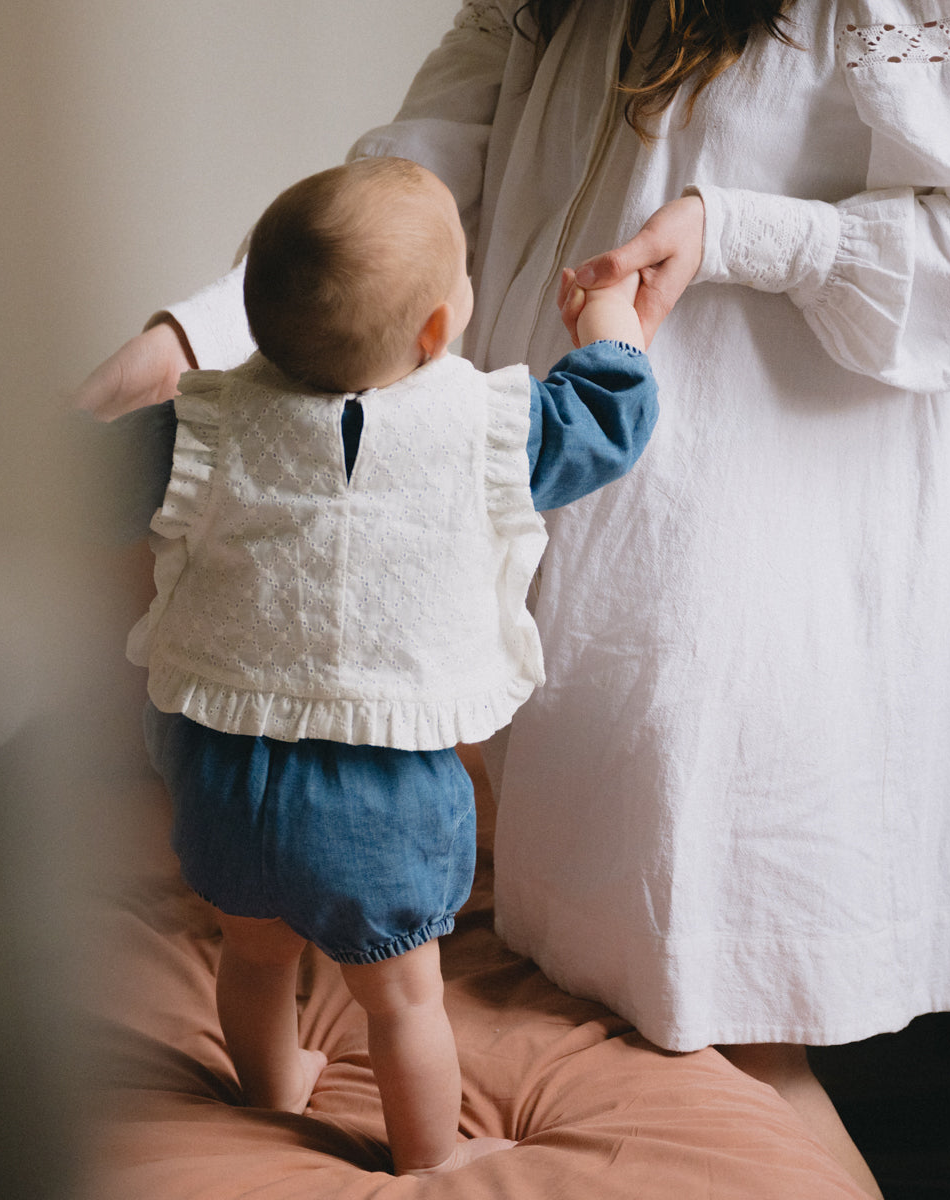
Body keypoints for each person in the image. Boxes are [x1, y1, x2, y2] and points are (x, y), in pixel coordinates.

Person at [77, 3, 950, 1195]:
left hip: (752, 556)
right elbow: (421, 175)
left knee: (727, 1032)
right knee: (644, 1005)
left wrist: (736, 232)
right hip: (555, 538)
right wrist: (199, 331)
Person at [95, 155, 657, 1178]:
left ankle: (272, 1093)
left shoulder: (202, 420)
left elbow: (79, 476)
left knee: (256, 960)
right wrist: (612, 333)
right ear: (439, 330)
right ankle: (429, 1160)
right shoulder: (482, 425)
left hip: (223, 774)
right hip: (377, 793)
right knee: (403, 999)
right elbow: (605, 424)